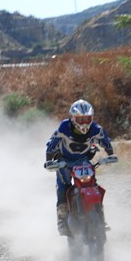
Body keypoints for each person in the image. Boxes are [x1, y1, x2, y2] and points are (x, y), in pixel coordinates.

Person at [44, 99, 115, 236]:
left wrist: (111, 155)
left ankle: (100, 216)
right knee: (62, 188)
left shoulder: (96, 129)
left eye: (87, 118)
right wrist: (49, 161)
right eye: (80, 119)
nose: (84, 122)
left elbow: (106, 142)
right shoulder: (64, 127)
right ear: (73, 118)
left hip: (83, 161)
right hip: (63, 161)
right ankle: (62, 221)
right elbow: (52, 145)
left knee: (93, 185)